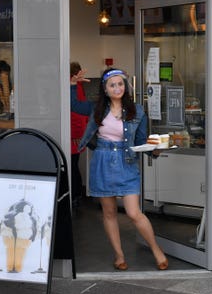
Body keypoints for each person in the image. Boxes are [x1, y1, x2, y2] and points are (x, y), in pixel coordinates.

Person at [70, 67, 168, 271]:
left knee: (134, 213)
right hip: (103, 161)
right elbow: (73, 104)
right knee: (109, 212)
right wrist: (73, 84)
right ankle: (119, 255)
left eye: (120, 83)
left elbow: (141, 140)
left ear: (125, 86)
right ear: (105, 89)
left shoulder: (137, 111)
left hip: (126, 161)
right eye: (112, 85)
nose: (117, 88)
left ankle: (156, 250)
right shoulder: (95, 108)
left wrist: (155, 151)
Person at [70, 62, 88, 209]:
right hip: (76, 133)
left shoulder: (74, 88)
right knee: (74, 165)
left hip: (73, 134)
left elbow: (75, 113)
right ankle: (76, 195)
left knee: (72, 166)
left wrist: (75, 134)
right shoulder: (78, 87)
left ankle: (75, 195)